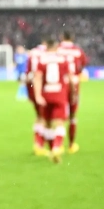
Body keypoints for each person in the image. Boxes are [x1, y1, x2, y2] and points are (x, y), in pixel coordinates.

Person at [33, 36, 75, 164]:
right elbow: (70, 77)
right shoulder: (62, 59)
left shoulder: (42, 60)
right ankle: (56, 147)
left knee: (46, 122)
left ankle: (48, 147)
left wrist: (37, 95)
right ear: (56, 47)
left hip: (46, 94)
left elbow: (37, 77)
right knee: (60, 122)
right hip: (59, 94)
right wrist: (73, 92)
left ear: (46, 47)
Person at [58, 31, 88, 154]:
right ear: (72, 38)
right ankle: (71, 145)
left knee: (59, 116)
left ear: (61, 37)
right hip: (74, 85)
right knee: (72, 116)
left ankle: (58, 145)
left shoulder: (57, 49)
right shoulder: (78, 51)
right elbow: (83, 65)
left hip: (61, 84)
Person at [26, 40, 47, 156]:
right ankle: (39, 144)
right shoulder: (49, 53)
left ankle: (38, 143)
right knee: (45, 117)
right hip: (44, 87)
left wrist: (29, 93)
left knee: (39, 116)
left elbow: (28, 74)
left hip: (32, 86)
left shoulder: (32, 53)